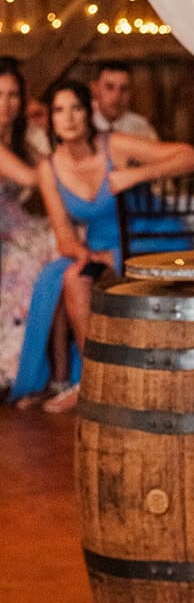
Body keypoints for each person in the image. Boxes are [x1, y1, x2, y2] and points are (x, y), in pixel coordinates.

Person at [8, 78, 194, 412]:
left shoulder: (115, 146)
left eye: (76, 108)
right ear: (51, 119)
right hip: (102, 249)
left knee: (73, 278)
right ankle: (67, 377)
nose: (68, 118)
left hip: (147, 240)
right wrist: (84, 254)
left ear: (88, 113)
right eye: (59, 110)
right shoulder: (49, 168)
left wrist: (136, 175)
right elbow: (64, 236)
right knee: (56, 273)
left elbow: (191, 157)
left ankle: (91, 383)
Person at [0, 57, 56, 393]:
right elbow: (36, 177)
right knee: (34, 254)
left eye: (13, 95)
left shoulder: (21, 136)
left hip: (17, 225)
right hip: (6, 229)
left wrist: (46, 131)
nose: (6, 104)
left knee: (59, 241)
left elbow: (52, 167)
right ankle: (13, 370)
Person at [92, 61, 158, 142]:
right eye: (109, 87)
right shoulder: (83, 125)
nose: (117, 96)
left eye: (124, 89)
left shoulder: (141, 129)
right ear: (95, 89)